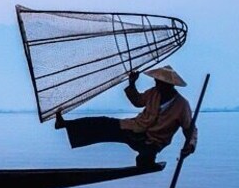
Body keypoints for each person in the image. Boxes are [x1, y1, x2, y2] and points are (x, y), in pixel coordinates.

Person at [54, 65, 197, 166]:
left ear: (169, 85)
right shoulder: (154, 92)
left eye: (159, 82)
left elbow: (190, 129)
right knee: (101, 123)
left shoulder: (182, 105)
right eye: (156, 81)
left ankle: (146, 162)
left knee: (144, 159)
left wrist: (189, 146)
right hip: (134, 128)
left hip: (153, 141)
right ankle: (65, 124)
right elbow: (138, 101)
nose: (156, 84)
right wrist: (132, 84)